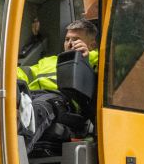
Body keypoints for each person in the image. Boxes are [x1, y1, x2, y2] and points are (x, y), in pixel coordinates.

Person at [17, 18, 99, 152]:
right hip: (33, 96)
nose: (70, 43)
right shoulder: (48, 62)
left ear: (92, 44)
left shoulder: (97, 60)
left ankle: (17, 153)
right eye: (67, 39)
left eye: (76, 39)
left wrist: (86, 58)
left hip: (65, 102)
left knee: (42, 106)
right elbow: (20, 74)